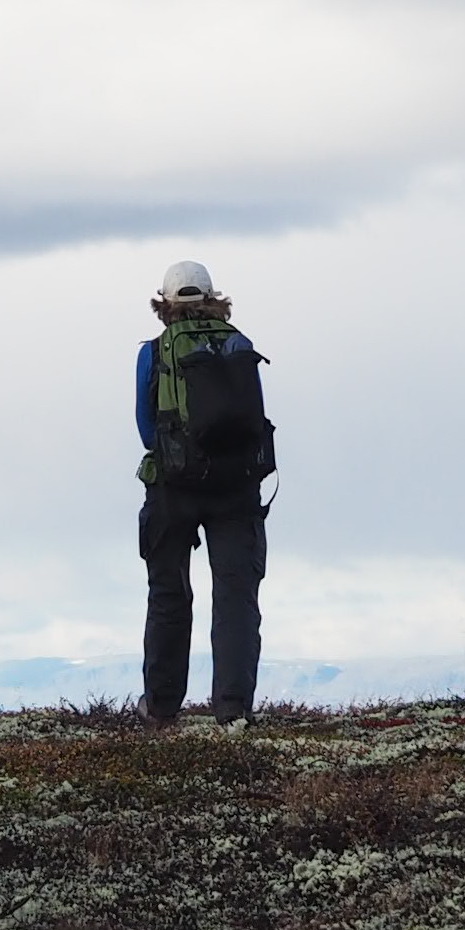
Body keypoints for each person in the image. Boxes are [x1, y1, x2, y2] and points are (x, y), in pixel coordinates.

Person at [136, 255, 272, 724]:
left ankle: (161, 709)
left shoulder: (153, 353)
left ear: (164, 303)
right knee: (235, 596)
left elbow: (146, 428)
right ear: (214, 299)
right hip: (237, 487)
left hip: (173, 487)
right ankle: (232, 711)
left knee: (169, 594)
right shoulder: (239, 344)